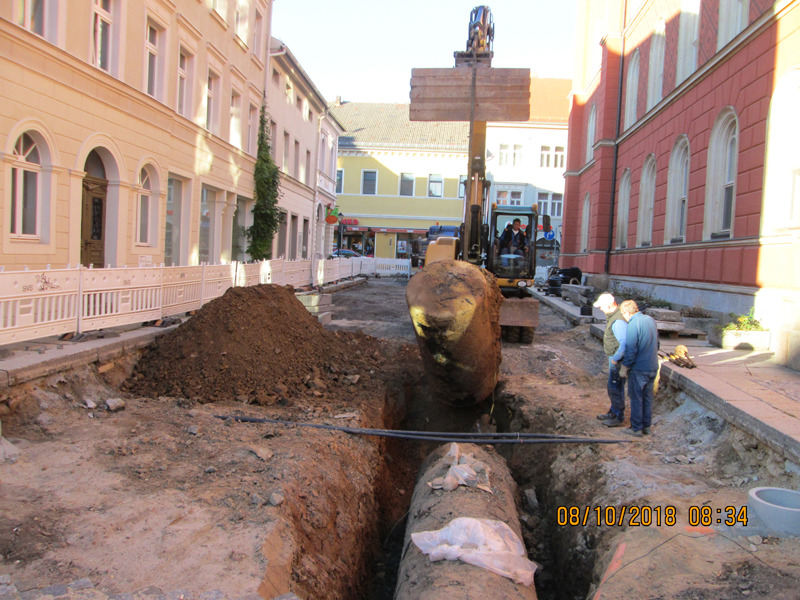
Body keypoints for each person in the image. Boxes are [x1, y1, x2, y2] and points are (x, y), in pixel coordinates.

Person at [619, 300, 660, 437]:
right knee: (647, 397)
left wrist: (625, 366)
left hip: (639, 368)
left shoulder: (633, 324)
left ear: (627, 312)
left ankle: (636, 428)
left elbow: (631, 349)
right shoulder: (650, 320)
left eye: (623, 314)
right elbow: (658, 344)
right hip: (653, 366)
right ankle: (646, 426)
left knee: (636, 398)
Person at [593, 293, 627, 428]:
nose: (601, 309)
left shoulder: (618, 321)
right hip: (614, 357)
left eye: (601, 306)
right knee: (612, 386)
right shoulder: (614, 317)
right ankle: (613, 411)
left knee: (615, 386)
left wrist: (616, 359)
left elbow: (624, 343)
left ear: (609, 305)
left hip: (617, 360)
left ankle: (618, 416)